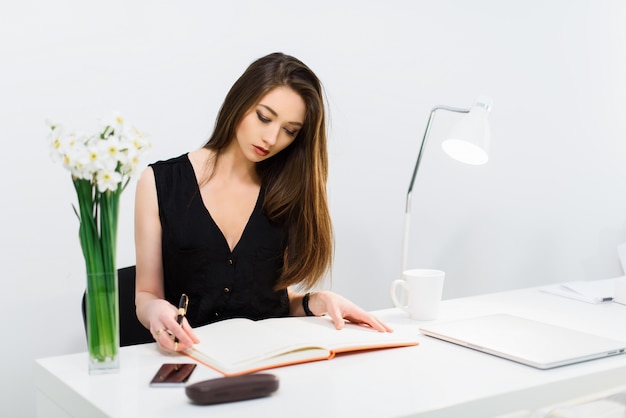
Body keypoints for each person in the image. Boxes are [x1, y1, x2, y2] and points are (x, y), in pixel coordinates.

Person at [134, 52, 392, 353]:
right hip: (192, 360)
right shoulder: (158, 183)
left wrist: (315, 300)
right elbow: (146, 293)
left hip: (271, 361)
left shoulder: (287, 191)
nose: (271, 138)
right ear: (240, 101)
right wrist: (154, 312)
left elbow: (273, 300)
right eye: (264, 117)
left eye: (289, 131)